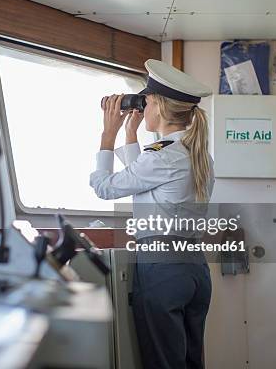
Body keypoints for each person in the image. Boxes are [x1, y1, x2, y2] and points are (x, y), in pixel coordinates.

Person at [89, 59, 215, 369]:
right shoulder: (195, 153)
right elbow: (144, 180)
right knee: (190, 362)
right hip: (194, 268)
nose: (142, 108)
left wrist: (109, 133)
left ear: (157, 105)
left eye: (145, 101)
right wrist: (131, 136)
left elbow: (105, 187)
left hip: (162, 268)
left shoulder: (163, 156)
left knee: (164, 363)